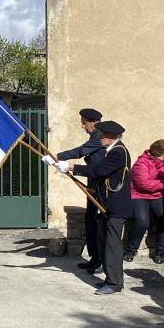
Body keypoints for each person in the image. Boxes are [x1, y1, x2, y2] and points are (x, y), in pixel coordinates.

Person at [56, 120, 131, 295]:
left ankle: (114, 283)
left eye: (103, 134)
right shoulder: (111, 150)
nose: (100, 136)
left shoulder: (118, 152)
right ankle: (110, 279)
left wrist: (71, 167)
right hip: (106, 203)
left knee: (112, 245)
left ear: (112, 136)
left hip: (115, 205)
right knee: (103, 240)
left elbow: (99, 170)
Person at [44, 108, 105, 274]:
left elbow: (79, 152)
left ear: (94, 122)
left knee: (99, 224)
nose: (82, 126)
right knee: (90, 221)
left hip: (102, 187)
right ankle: (94, 258)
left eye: (84, 122)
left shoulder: (100, 137)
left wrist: (55, 157)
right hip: (93, 185)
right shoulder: (95, 136)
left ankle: (102, 261)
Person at [126, 139, 164, 263]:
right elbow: (144, 185)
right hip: (139, 196)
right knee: (142, 221)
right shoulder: (141, 164)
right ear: (157, 154)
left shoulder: (163, 166)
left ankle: (161, 250)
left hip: (155, 196)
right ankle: (131, 250)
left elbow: (160, 187)